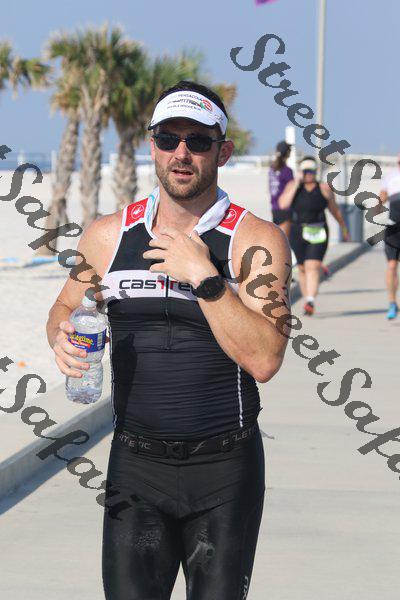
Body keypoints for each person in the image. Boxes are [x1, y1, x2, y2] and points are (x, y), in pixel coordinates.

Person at [47, 81, 292, 600]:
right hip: (135, 468)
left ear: (222, 152)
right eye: (168, 138)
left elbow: (266, 358)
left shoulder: (255, 241)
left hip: (224, 471)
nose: (182, 153)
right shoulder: (108, 235)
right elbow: (65, 306)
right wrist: (60, 336)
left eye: (198, 141)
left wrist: (204, 278)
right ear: (152, 145)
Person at [279, 155, 349, 316]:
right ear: (301, 172)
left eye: (311, 171)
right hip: (298, 232)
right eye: (305, 171)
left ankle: (310, 300)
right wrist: (296, 184)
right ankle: (307, 300)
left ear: (316, 172)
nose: (308, 174)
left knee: (313, 266)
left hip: (319, 231)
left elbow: (335, 210)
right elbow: (283, 204)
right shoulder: (293, 186)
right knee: (302, 268)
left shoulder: (324, 188)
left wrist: (344, 228)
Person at [379, 153, 400, 319]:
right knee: (392, 266)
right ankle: (392, 303)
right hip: (394, 227)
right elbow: (382, 198)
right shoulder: (390, 177)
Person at [268, 140, 293, 237]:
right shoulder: (287, 171)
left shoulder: (272, 169)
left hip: (274, 208)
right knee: (284, 240)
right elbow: (291, 189)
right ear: (287, 153)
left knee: (277, 238)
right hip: (285, 209)